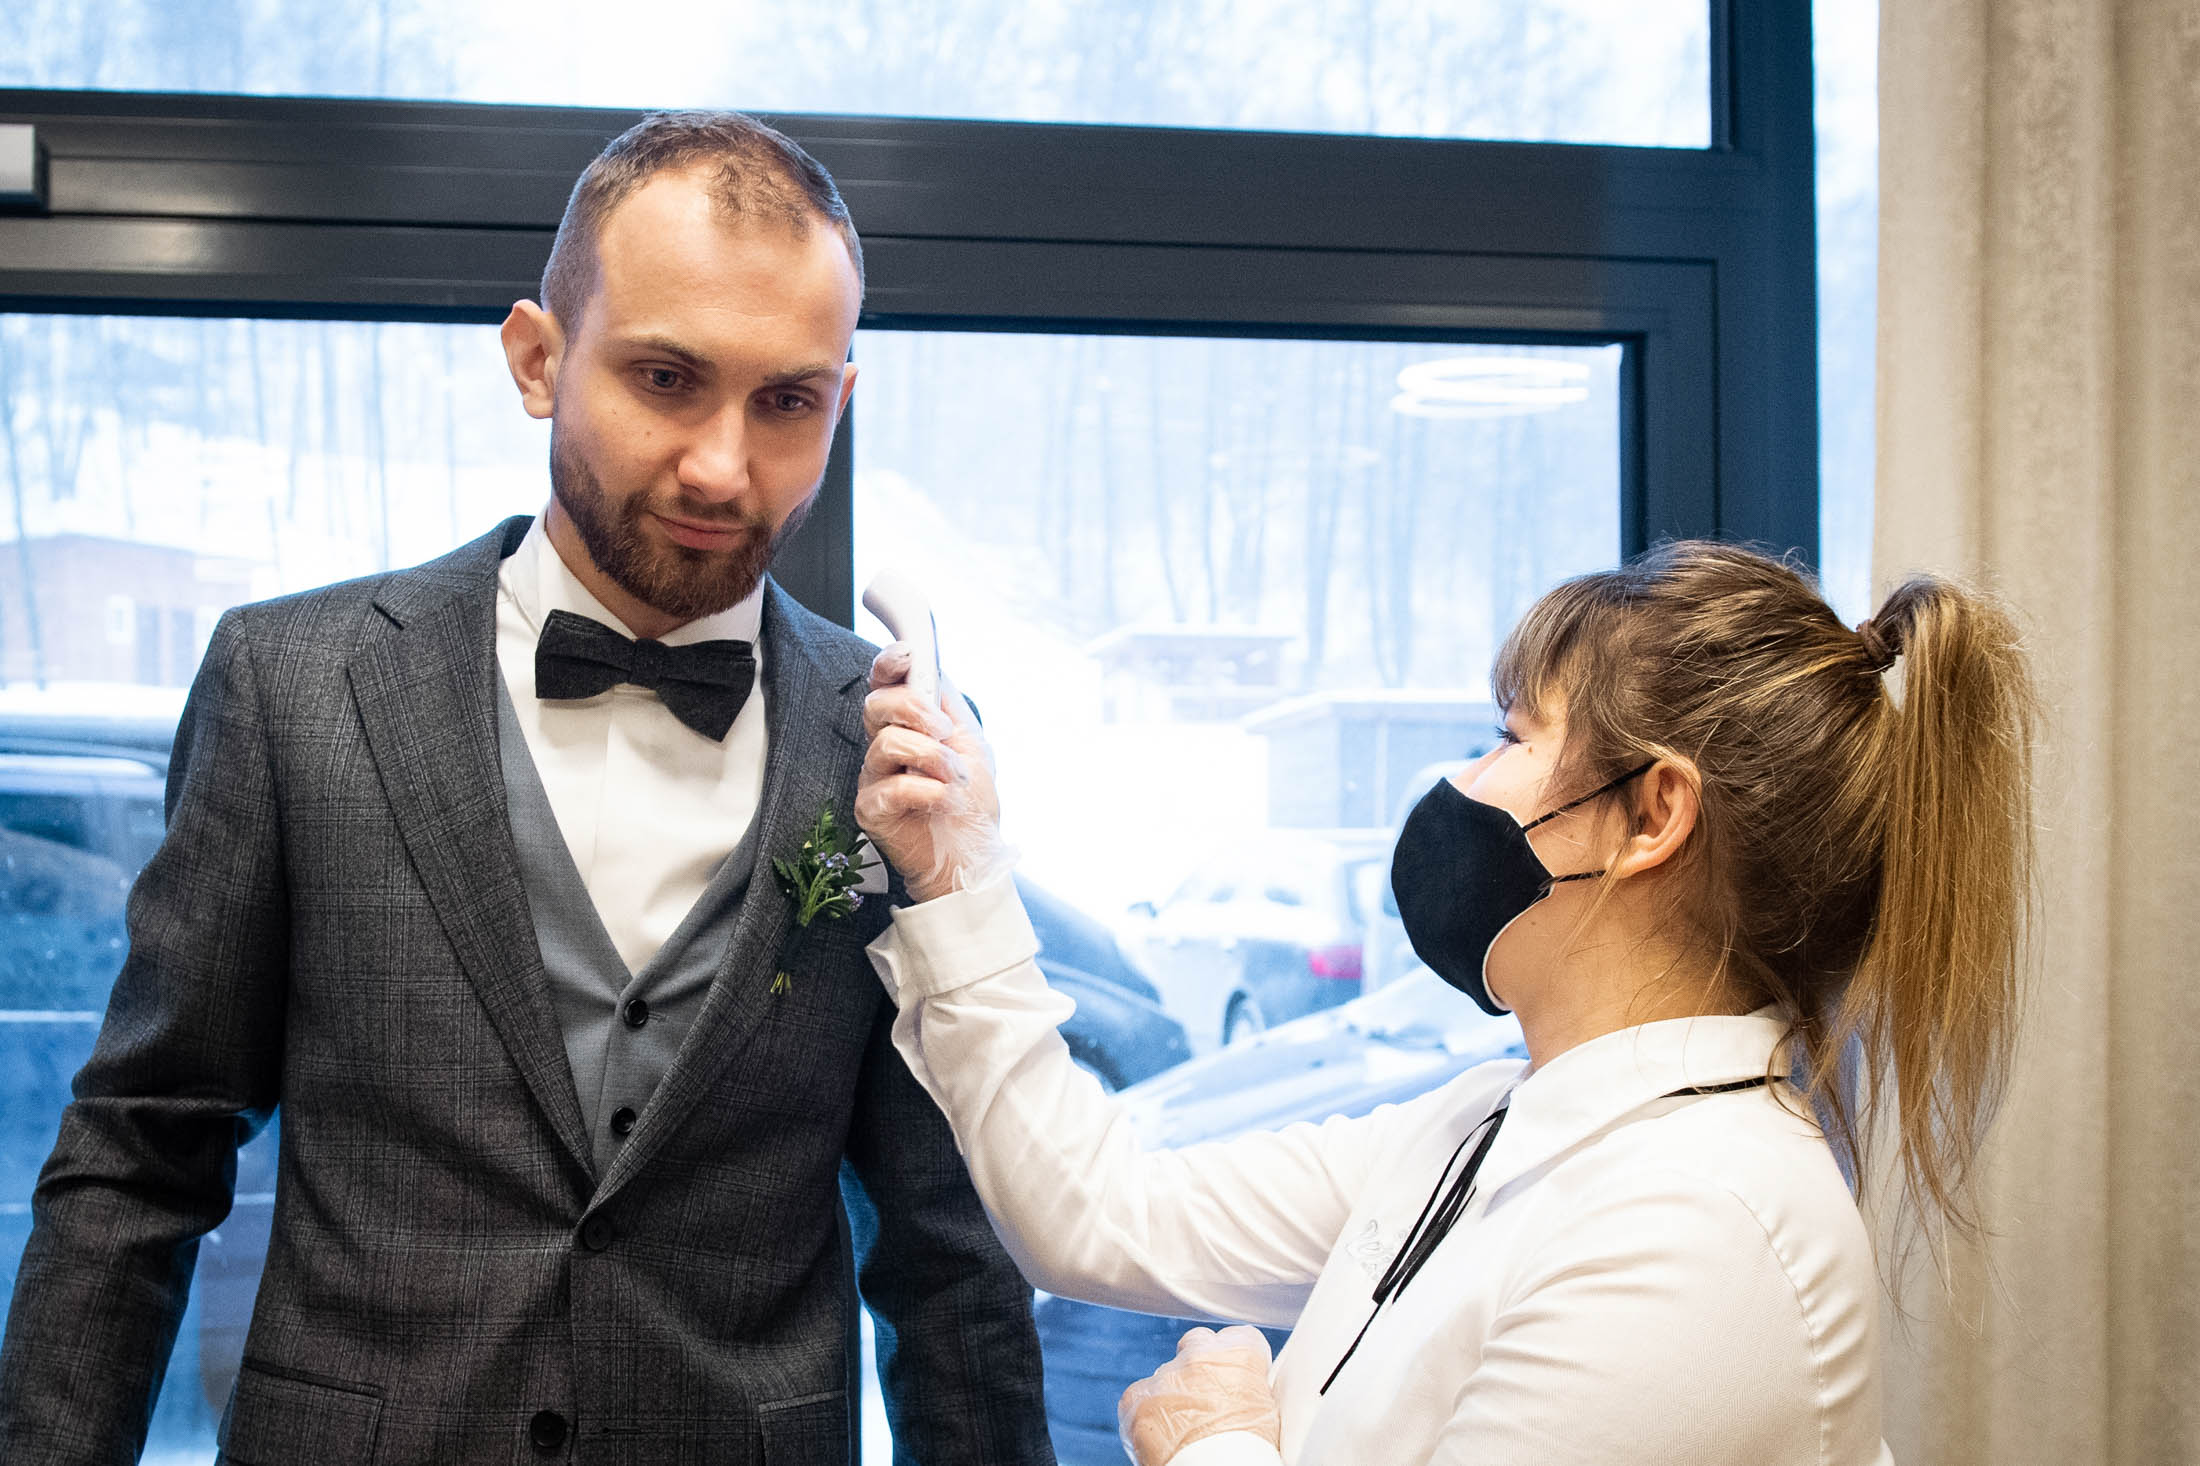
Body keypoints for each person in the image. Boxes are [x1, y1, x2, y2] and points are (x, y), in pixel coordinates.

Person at [0, 111, 1053, 1465]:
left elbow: (948, 1252)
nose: (723, 465)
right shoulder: (292, 686)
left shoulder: (899, 748)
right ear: (538, 358)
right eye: (666, 378)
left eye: (785, 402)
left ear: (839, 401)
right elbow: (142, 1157)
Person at [854, 540, 2039, 1466]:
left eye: (1508, 736)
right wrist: (961, 867)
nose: (1462, 782)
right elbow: (1102, 1210)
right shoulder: (1488, 1124)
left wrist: (1214, 1441)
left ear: (1651, 814)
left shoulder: (1702, 1228)